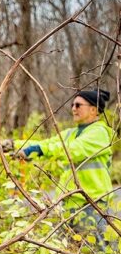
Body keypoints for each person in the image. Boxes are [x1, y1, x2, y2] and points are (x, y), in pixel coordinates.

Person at [16, 89, 116, 244]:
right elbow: (48, 144)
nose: (73, 108)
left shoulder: (99, 133)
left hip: (91, 204)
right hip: (68, 203)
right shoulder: (71, 133)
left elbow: (71, 150)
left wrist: (36, 150)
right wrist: (15, 146)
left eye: (78, 105)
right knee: (65, 253)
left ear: (93, 110)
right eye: (72, 105)